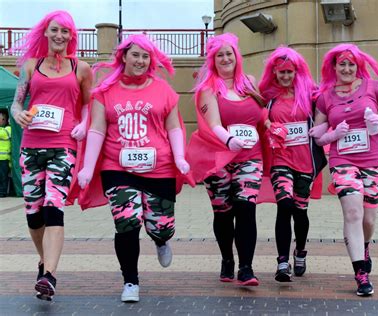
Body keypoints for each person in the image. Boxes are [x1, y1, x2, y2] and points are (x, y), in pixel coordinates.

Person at [77, 34, 190, 303]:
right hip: (118, 168)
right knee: (127, 222)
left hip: (158, 168)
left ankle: (161, 240)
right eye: (135, 55)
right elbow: (97, 129)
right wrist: (88, 168)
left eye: (145, 56)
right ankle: (130, 281)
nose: (140, 60)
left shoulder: (163, 90)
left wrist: (180, 157)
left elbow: (173, 126)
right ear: (124, 57)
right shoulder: (105, 91)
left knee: (161, 226)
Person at [9, 10, 92, 301]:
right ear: (45, 32)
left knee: (54, 204)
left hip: (63, 146)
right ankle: (44, 260)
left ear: (72, 37)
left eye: (65, 32)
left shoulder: (81, 68)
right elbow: (17, 103)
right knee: (34, 214)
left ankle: (49, 276)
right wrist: (18, 114)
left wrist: (83, 124)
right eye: (55, 30)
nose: (59, 36)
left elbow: (88, 105)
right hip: (31, 146)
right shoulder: (31, 66)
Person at [310, 43, 378, 296]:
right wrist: (332, 133)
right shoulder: (325, 96)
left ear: (358, 66)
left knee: (368, 219)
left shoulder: (373, 87)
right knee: (352, 213)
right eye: (342, 64)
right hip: (343, 161)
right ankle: (360, 272)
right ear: (334, 66)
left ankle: (366, 245)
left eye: (351, 64)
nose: (347, 68)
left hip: (376, 159)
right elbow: (318, 136)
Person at [186, 33, 267, 286]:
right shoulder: (208, 88)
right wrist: (230, 141)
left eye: (228, 53)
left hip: (250, 157)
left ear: (236, 55)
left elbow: (261, 112)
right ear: (213, 60)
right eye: (219, 55)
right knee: (223, 212)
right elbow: (214, 124)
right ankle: (227, 259)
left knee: (246, 207)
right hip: (218, 157)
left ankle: (246, 268)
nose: (225, 58)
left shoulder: (249, 82)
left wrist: (271, 125)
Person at [258, 46, 325, 282]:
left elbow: (329, 103)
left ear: (297, 72)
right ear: (274, 73)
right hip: (280, 160)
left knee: (300, 211)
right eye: (281, 72)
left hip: (305, 162)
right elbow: (255, 109)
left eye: (290, 72)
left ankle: (301, 251)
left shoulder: (309, 95)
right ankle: (282, 262)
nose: (286, 76)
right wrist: (268, 127)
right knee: (284, 205)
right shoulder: (269, 97)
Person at [0, 110, 12, 197]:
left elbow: (2, 134)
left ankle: (2, 192)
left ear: (4, 120)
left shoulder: (8, 129)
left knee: (3, 177)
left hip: (4, 159)